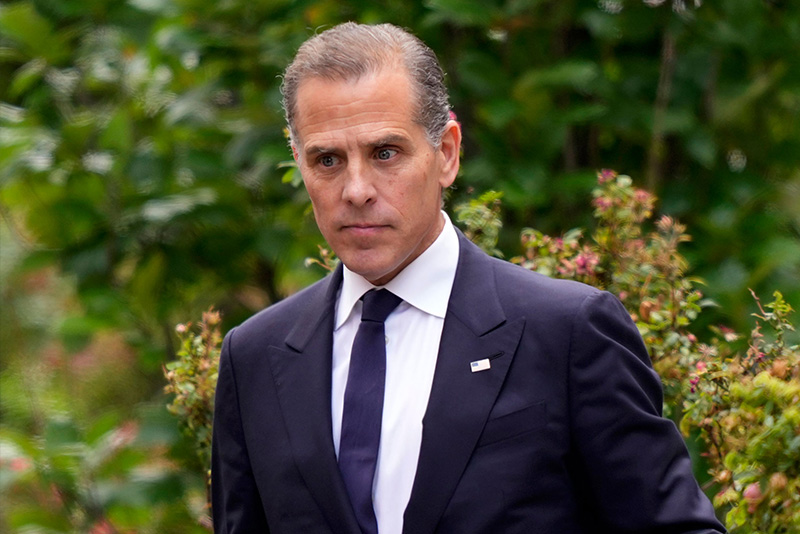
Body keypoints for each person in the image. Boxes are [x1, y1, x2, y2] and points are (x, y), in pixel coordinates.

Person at [211, 22, 726, 534]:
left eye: (385, 153)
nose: (357, 189)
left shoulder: (566, 333)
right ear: (300, 165)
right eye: (328, 160)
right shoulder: (254, 358)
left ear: (447, 154)